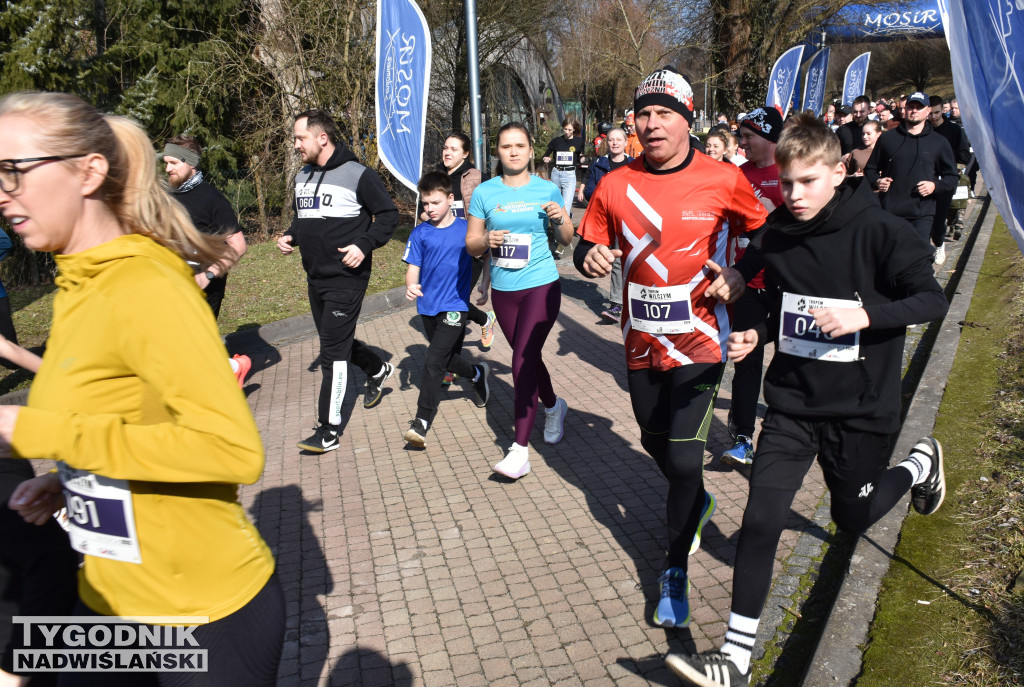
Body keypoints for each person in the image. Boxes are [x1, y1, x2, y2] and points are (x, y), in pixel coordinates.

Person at [0, 91, 284, 686]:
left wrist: (48, 433)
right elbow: (122, 417)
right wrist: (70, 480)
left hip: (201, 615)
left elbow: (233, 451)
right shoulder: (77, 285)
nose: (3, 192)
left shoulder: (146, 283)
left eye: (14, 170)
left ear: (88, 171)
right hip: (110, 601)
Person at [666, 112, 949, 687]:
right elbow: (763, 286)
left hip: (860, 407)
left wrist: (865, 316)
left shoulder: (881, 230)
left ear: (839, 172)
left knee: (852, 517)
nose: (794, 196)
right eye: (788, 183)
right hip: (792, 403)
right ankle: (736, 660)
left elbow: (932, 300)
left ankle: (920, 465)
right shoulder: (776, 231)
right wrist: (752, 322)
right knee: (760, 517)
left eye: (808, 182)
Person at [575, 66, 767, 629]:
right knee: (653, 440)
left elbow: (765, 233)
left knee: (685, 458)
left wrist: (740, 272)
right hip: (640, 342)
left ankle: (673, 568)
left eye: (665, 114)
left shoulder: (723, 178)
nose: (652, 124)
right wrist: (589, 257)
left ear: (688, 120)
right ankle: (696, 500)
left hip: (702, 339)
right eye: (644, 114)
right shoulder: (615, 183)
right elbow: (589, 242)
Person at [278, 109, 397, 453]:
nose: (296, 145)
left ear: (322, 138)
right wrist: (291, 235)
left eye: (300, 138)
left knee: (333, 356)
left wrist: (364, 244)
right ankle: (377, 369)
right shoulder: (302, 175)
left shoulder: (358, 175)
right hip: (316, 277)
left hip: (347, 278)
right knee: (336, 343)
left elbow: (388, 215)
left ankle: (328, 430)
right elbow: (303, 217)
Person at [466, 122, 574, 480]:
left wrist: (561, 219)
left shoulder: (547, 189)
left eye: (520, 145)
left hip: (541, 285)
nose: (513, 152)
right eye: (506, 146)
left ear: (530, 150)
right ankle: (554, 407)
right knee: (528, 358)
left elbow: (567, 238)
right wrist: (487, 241)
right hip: (504, 292)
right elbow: (471, 244)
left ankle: (519, 450)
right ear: (497, 151)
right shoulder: (485, 192)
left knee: (521, 360)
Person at [402, 172, 491, 447]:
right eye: (425, 203)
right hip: (428, 306)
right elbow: (413, 267)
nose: (430, 208)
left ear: (450, 199)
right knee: (447, 359)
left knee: (433, 360)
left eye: (435, 202)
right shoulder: (420, 233)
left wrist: (485, 283)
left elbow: (486, 254)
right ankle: (477, 374)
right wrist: (411, 285)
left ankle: (421, 422)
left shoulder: (466, 230)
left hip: (455, 306)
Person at [159, 135, 252, 387]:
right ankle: (231, 369)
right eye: (165, 163)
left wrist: (207, 275)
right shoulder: (168, 196)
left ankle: (229, 373)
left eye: (173, 163)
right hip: (174, 280)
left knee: (187, 343)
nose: (167, 169)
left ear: (191, 163)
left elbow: (238, 245)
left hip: (204, 283)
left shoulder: (212, 199)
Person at [720, 106, 784, 467]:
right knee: (746, 360)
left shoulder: (790, 173)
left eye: (748, 136)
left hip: (783, 285)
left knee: (786, 363)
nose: (742, 143)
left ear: (769, 138)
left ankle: (780, 436)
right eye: (741, 136)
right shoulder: (736, 175)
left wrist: (770, 213)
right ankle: (743, 437)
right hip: (746, 283)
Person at [421, 133, 497, 355]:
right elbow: (422, 212)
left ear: (465, 154)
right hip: (441, 249)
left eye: (454, 149)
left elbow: (491, 213)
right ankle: (484, 320)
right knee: (448, 301)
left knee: (455, 301)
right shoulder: (434, 176)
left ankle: (451, 359)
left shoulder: (478, 178)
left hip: (469, 249)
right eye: (446, 148)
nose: (447, 152)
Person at [864, 91, 958, 266]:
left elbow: (952, 177)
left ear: (927, 111)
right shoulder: (887, 139)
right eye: (911, 107)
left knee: (918, 262)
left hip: (922, 213)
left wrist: (934, 186)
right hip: (891, 211)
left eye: (919, 107)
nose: (914, 111)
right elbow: (870, 170)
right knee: (890, 262)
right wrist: (877, 181)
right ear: (904, 109)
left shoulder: (939, 142)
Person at [581, 127, 633, 322]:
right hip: (606, 218)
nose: (615, 143)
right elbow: (590, 191)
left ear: (625, 142)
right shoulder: (599, 164)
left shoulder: (635, 165)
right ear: (607, 142)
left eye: (619, 139)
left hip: (630, 219)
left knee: (634, 260)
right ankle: (617, 304)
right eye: (611, 139)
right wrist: (607, 197)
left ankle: (634, 301)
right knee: (616, 260)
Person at [542, 118, 585, 213]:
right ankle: (556, 222)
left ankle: (566, 219)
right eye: (565, 129)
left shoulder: (579, 142)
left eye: (569, 130)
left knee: (566, 206)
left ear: (574, 129)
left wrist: (582, 158)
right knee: (555, 204)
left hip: (569, 174)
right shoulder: (556, 141)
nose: (567, 132)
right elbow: (546, 155)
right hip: (556, 173)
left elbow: (579, 157)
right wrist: (546, 158)